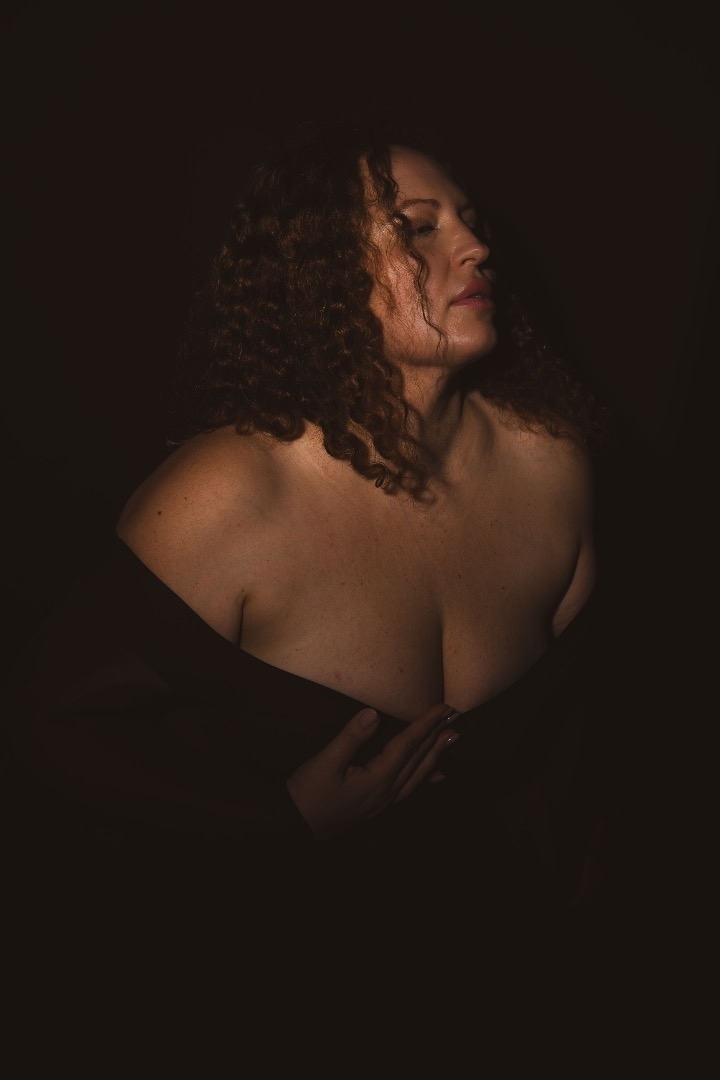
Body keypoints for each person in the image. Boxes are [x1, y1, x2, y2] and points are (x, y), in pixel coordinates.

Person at [6, 114, 623, 945]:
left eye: (471, 219)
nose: (478, 247)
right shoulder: (229, 495)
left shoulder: (554, 464)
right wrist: (278, 818)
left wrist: (581, 870)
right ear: (322, 274)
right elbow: (47, 725)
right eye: (418, 227)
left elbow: (575, 718)